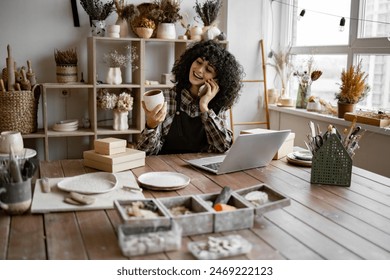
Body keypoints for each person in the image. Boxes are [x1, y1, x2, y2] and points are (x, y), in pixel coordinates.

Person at [136, 40, 245, 155]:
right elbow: (145, 153)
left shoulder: (217, 105)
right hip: (167, 168)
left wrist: (204, 106)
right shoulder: (167, 98)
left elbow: (223, 146)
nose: (199, 70)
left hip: (201, 170)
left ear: (217, 80)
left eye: (208, 69)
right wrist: (151, 126)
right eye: (198, 62)